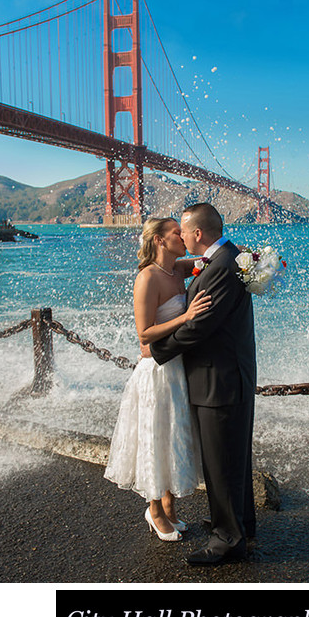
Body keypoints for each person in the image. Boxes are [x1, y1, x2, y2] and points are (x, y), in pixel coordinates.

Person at [151, 203, 257, 565]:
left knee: (221, 460)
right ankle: (240, 523)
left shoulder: (223, 266)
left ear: (198, 234)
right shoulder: (228, 257)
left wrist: (157, 349)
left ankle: (227, 539)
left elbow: (199, 327)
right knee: (233, 455)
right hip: (229, 375)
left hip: (219, 379)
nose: (180, 236)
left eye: (183, 230)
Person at [104, 217, 211, 542]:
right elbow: (144, 334)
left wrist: (255, 260)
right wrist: (186, 316)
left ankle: (170, 506)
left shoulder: (177, 270)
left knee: (174, 436)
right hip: (155, 373)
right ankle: (154, 510)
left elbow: (211, 256)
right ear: (160, 241)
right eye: (176, 233)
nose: (182, 236)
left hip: (177, 369)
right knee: (155, 438)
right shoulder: (147, 277)